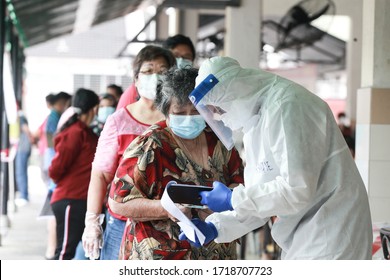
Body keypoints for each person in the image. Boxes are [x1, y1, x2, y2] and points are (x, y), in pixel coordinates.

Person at [179, 56, 373, 260]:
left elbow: (296, 190)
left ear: (233, 92)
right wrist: (216, 226)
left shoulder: (286, 105)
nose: (219, 116)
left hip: (333, 235)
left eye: (218, 109)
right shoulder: (255, 122)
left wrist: (232, 198)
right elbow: (262, 199)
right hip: (306, 235)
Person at [107, 67, 244, 260]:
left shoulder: (219, 140)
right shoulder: (151, 145)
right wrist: (166, 209)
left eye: (196, 111)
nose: (189, 119)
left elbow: (242, 181)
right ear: (166, 112)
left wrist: (227, 200)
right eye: (180, 112)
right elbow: (118, 203)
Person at [82, 45, 176, 260]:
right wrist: (92, 221)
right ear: (136, 79)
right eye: (148, 71)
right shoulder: (118, 121)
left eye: (163, 71)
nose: (156, 77)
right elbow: (100, 174)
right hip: (122, 224)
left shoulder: (178, 120)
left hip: (168, 225)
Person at [49, 88, 100, 260]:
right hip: (70, 199)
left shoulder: (85, 132)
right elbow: (56, 168)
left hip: (78, 199)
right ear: (94, 109)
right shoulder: (76, 132)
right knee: (64, 253)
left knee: (68, 252)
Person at [116, 34, 196, 109]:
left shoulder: (194, 87)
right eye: (175, 56)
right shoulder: (136, 91)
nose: (181, 61)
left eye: (186, 57)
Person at [14, 109, 34, 206]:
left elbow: (26, 129)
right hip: (23, 148)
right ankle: (24, 194)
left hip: (22, 148)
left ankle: (24, 195)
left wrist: (31, 139)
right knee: (22, 172)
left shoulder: (20, 118)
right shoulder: (22, 117)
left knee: (20, 172)